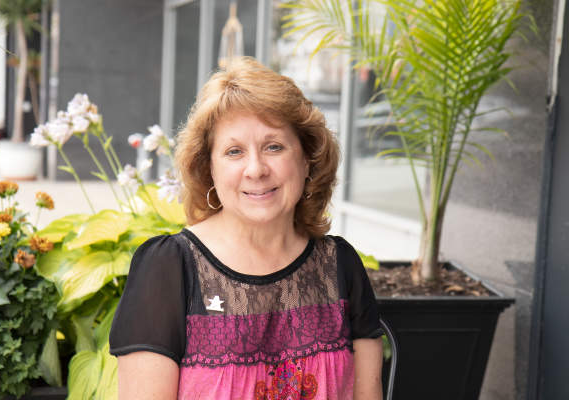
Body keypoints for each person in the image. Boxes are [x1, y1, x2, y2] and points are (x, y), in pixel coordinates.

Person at [109, 57, 384, 399]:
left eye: (273, 147)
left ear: (306, 157)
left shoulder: (340, 266)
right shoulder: (169, 267)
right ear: (209, 169)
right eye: (234, 151)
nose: (255, 169)